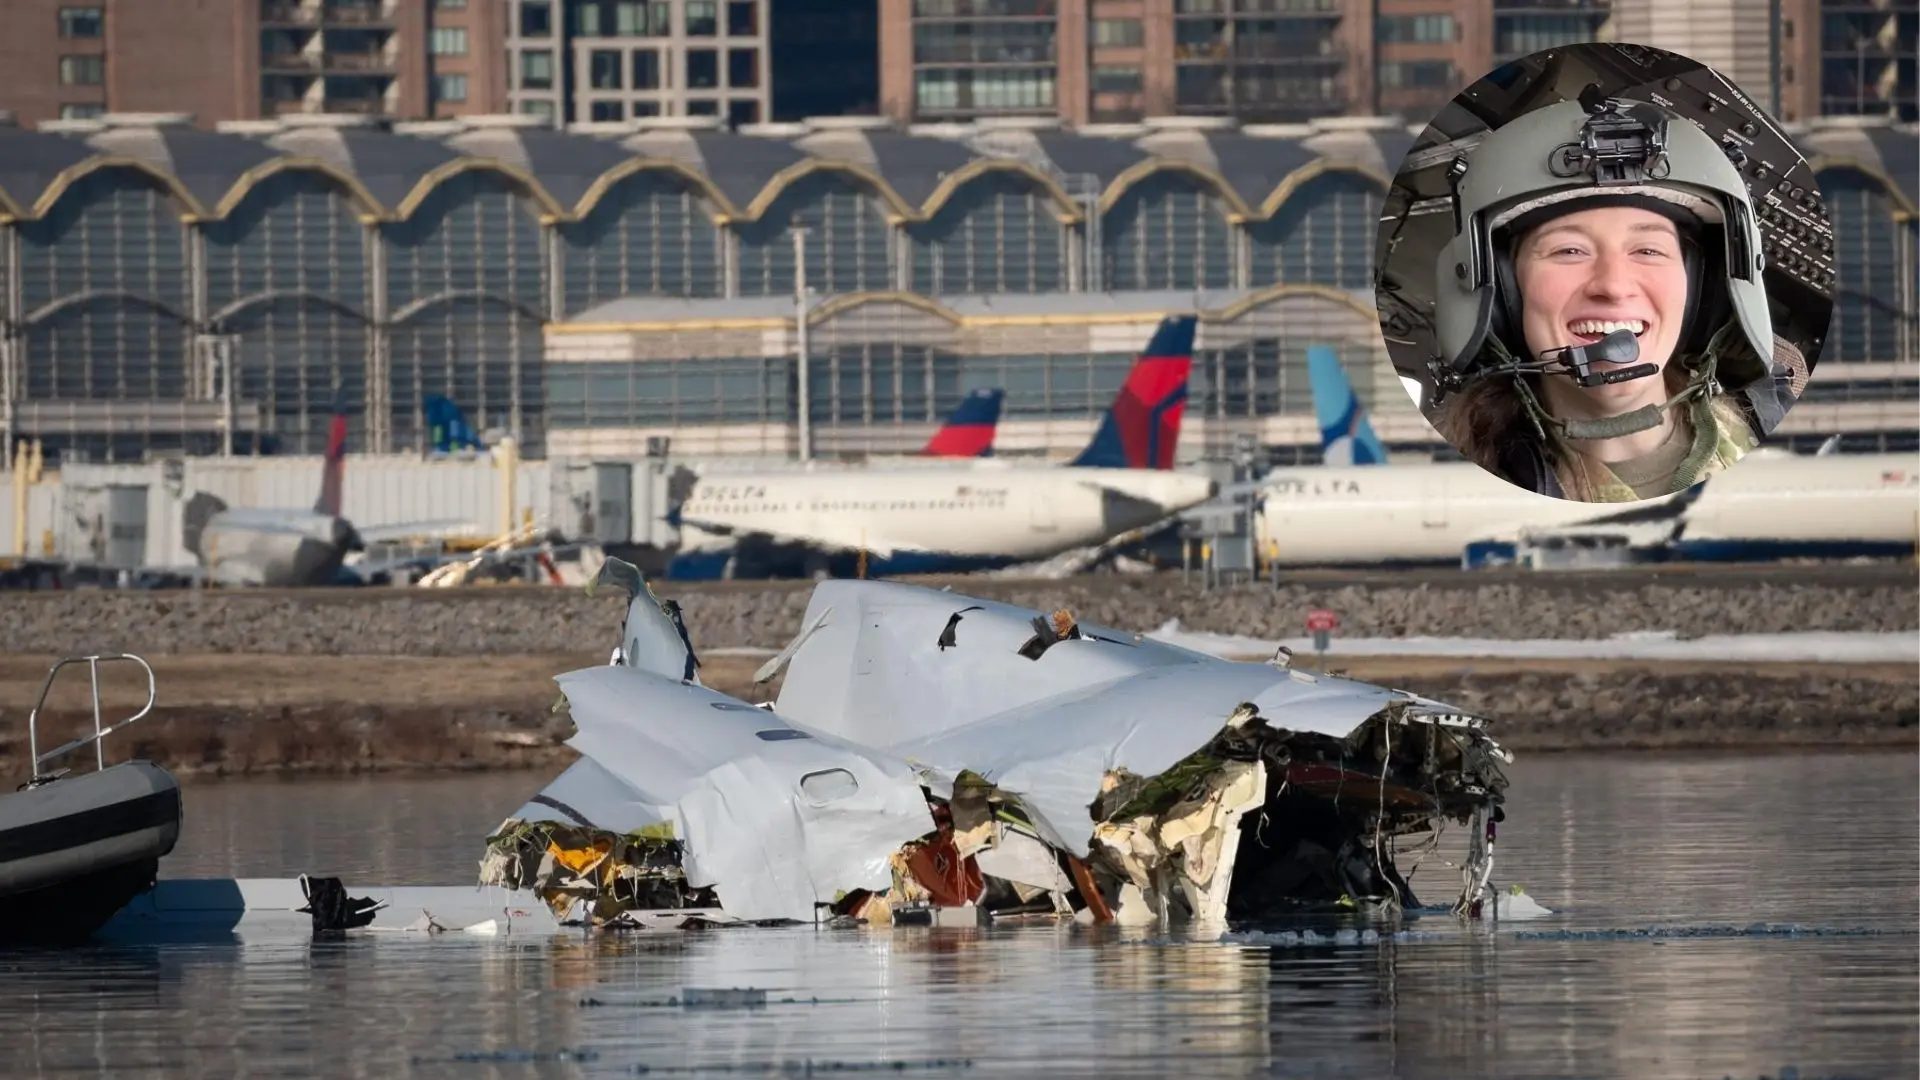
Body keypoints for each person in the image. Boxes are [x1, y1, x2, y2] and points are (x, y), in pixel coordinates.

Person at [1425, 88, 1806, 502]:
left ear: (1704, 287)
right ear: (1501, 292)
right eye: (1569, 250)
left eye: (1648, 250)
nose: (1613, 285)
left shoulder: (1799, 443)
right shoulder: (1453, 494)